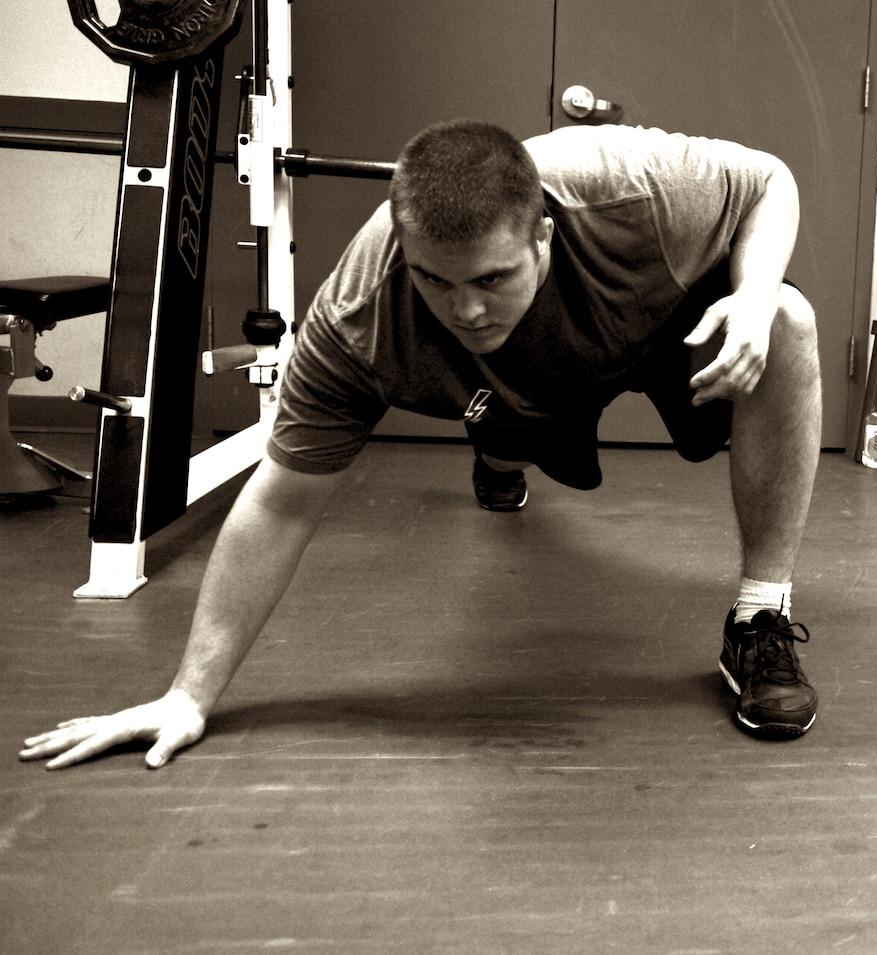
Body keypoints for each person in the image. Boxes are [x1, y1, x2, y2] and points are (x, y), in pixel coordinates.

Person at [20, 119, 824, 769]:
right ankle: (500, 448)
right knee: (508, 414)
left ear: (543, 235)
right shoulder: (357, 317)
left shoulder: (631, 187)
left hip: (649, 327)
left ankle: (759, 616)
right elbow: (279, 504)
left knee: (789, 319)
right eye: (436, 281)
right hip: (505, 387)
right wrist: (188, 695)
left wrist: (752, 295)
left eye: (491, 279)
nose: (465, 308)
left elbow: (769, 179)